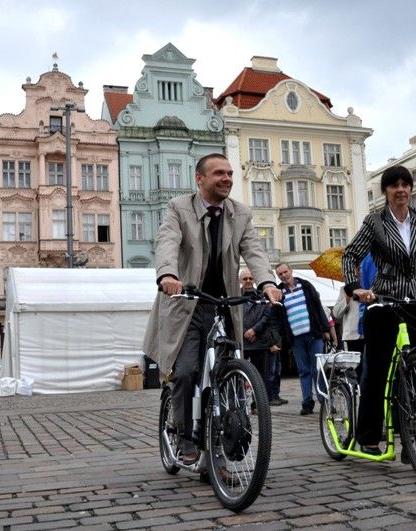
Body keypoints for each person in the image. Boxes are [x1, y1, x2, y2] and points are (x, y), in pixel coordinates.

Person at [142, 153, 282, 465]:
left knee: (228, 374)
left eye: (230, 173)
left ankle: (220, 451)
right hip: (186, 304)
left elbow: (254, 252)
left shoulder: (240, 214)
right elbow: (167, 242)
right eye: (219, 173)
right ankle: (182, 436)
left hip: (224, 306)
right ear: (200, 178)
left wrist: (266, 283)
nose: (227, 179)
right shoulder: (179, 208)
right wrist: (167, 274)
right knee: (187, 370)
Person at [342, 165, 416, 455]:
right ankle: (368, 434)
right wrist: (355, 286)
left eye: (405, 184)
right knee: (377, 370)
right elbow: (351, 255)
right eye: (394, 185)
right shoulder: (375, 221)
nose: (401, 189)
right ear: (386, 191)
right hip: (384, 301)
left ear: (410, 189)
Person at [275, 262, 332, 415]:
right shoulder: (279, 292)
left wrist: (325, 329)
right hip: (295, 338)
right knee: (304, 371)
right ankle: (307, 402)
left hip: (313, 334)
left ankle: (324, 400)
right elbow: (278, 317)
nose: (283, 275)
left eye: (285, 272)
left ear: (291, 271)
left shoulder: (306, 285)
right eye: (280, 274)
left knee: (318, 369)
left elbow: (318, 306)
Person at [239, 269, 273, 397]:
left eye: (250, 278)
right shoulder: (235, 296)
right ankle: (241, 402)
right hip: (242, 342)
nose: (248, 281)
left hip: (259, 341)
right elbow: (232, 317)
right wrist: (244, 332)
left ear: (254, 280)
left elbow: (267, 316)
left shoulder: (262, 296)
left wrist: (254, 330)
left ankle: (257, 403)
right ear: (240, 281)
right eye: (245, 279)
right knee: (240, 372)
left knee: (259, 376)